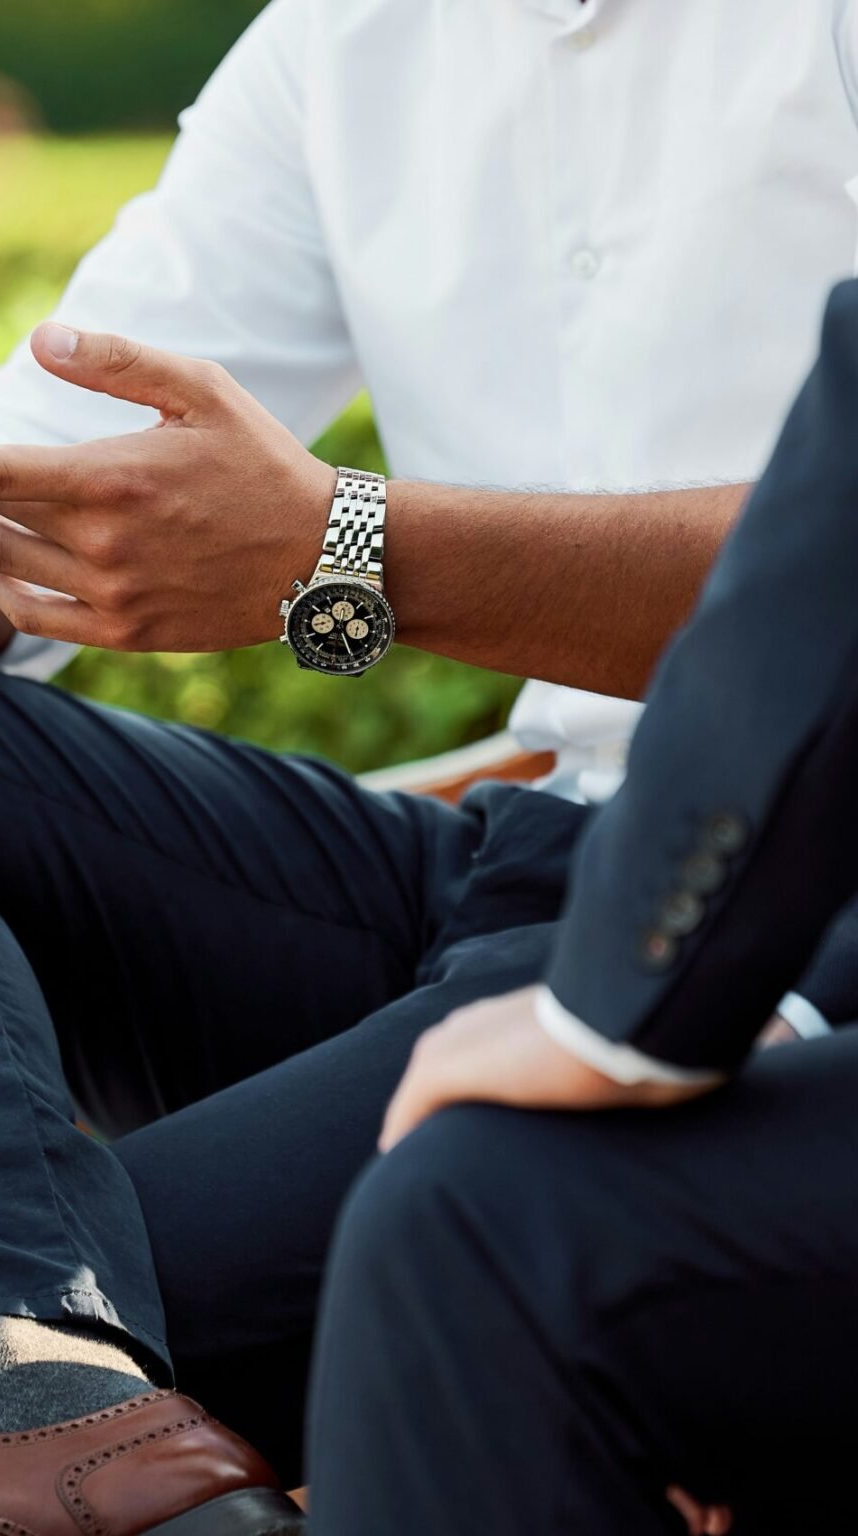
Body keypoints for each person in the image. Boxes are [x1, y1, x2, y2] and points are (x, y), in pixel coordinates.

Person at [0, 2, 858, 1531]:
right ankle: (23, 1375)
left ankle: (13, 1395)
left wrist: (349, 551)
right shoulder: (351, 37)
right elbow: (27, 488)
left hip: (783, 899)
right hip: (519, 866)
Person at [305, 277, 858, 1535]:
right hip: (521, 852)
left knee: (466, 1229)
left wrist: (335, 541)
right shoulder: (318, 77)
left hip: (686, 909)